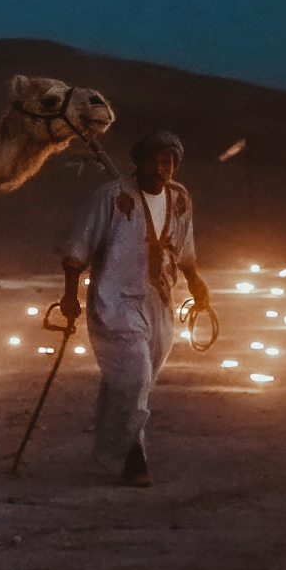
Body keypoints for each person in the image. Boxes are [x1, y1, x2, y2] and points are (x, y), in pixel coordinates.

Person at [59, 131, 209, 486]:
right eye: (155, 161)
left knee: (133, 383)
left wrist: (195, 281)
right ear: (138, 163)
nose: (162, 168)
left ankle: (114, 450)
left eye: (169, 162)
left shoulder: (180, 197)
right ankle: (133, 455)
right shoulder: (111, 197)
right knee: (135, 376)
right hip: (115, 302)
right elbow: (78, 249)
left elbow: (184, 247)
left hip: (159, 301)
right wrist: (69, 297)